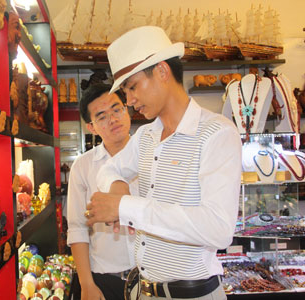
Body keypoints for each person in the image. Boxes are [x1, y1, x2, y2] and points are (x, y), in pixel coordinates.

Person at [85, 26, 242, 300]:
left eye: (132, 87)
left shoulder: (217, 133)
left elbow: (218, 228)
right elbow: (109, 169)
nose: (130, 101)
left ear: (161, 71)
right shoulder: (146, 135)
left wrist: (126, 207)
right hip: (144, 291)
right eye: (125, 91)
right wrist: (118, 187)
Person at [67, 83, 137, 300]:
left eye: (117, 109)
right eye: (102, 116)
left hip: (153, 277)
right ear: (92, 127)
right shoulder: (83, 166)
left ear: (127, 110)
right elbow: (77, 227)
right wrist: (86, 284)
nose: (113, 119)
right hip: (106, 280)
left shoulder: (152, 155)